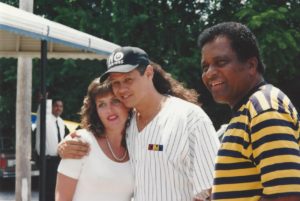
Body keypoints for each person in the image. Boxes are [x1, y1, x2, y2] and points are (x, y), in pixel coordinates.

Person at [58, 46, 220, 201]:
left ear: (149, 73)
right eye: (116, 82)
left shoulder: (190, 119)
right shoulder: (128, 124)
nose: (122, 89)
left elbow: (216, 190)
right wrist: (65, 146)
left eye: (128, 79)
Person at [198, 21, 300, 201]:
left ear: (251, 65)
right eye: (205, 67)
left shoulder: (263, 108)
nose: (209, 73)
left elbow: (287, 195)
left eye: (221, 62)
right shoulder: (245, 112)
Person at [55, 78, 134, 201]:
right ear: (95, 111)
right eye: (101, 104)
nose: (109, 110)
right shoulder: (80, 142)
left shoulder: (136, 143)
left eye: (115, 101)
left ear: (127, 105)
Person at [35, 98, 70, 201]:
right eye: (56, 106)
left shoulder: (61, 122)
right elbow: (42, 112)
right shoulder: (45, 119)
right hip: (47, 160)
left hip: (58, 160)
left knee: (56, 188)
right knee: (47, 190)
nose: (58, 108)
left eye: (61, 106)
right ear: (51, 107)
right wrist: (44, 101)